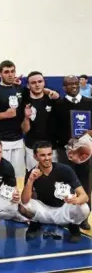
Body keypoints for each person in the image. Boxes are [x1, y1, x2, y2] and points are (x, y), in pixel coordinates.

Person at [20, 141, 90, 243]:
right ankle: (34, 224)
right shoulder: (32, 173)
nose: (47, 158)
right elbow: (25, 200)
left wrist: (76, 199)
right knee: (23, 206)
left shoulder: (65, 170)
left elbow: (85, 196)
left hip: (63, 209)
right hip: (44, 209)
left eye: (49, 154)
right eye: (43, 155)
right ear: (35, 157)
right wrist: (31, 180)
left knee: (84, 208)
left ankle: (74, 227)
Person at [50, 75, 92, 230]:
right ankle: (66, 216)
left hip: (85, 150)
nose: (74, 86)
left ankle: (83, 217)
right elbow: (53, 128)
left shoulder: (89, 103)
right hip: (65, 150)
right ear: (64, 87)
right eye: (70, 84)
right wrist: (66, 141)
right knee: (66, 183)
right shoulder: (58, 104)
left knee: (85, 182)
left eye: (76, 83)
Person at [21, 71, 57, 170]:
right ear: (28, 86)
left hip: (51, 147)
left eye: (40, 81)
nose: (37, 85)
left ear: (44, 83)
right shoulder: (24, 102)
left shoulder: (52, 100)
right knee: (34, 176)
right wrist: (26, 117)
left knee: (53, 177)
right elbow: (24, 130)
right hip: (32, 147)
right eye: (33, 83)